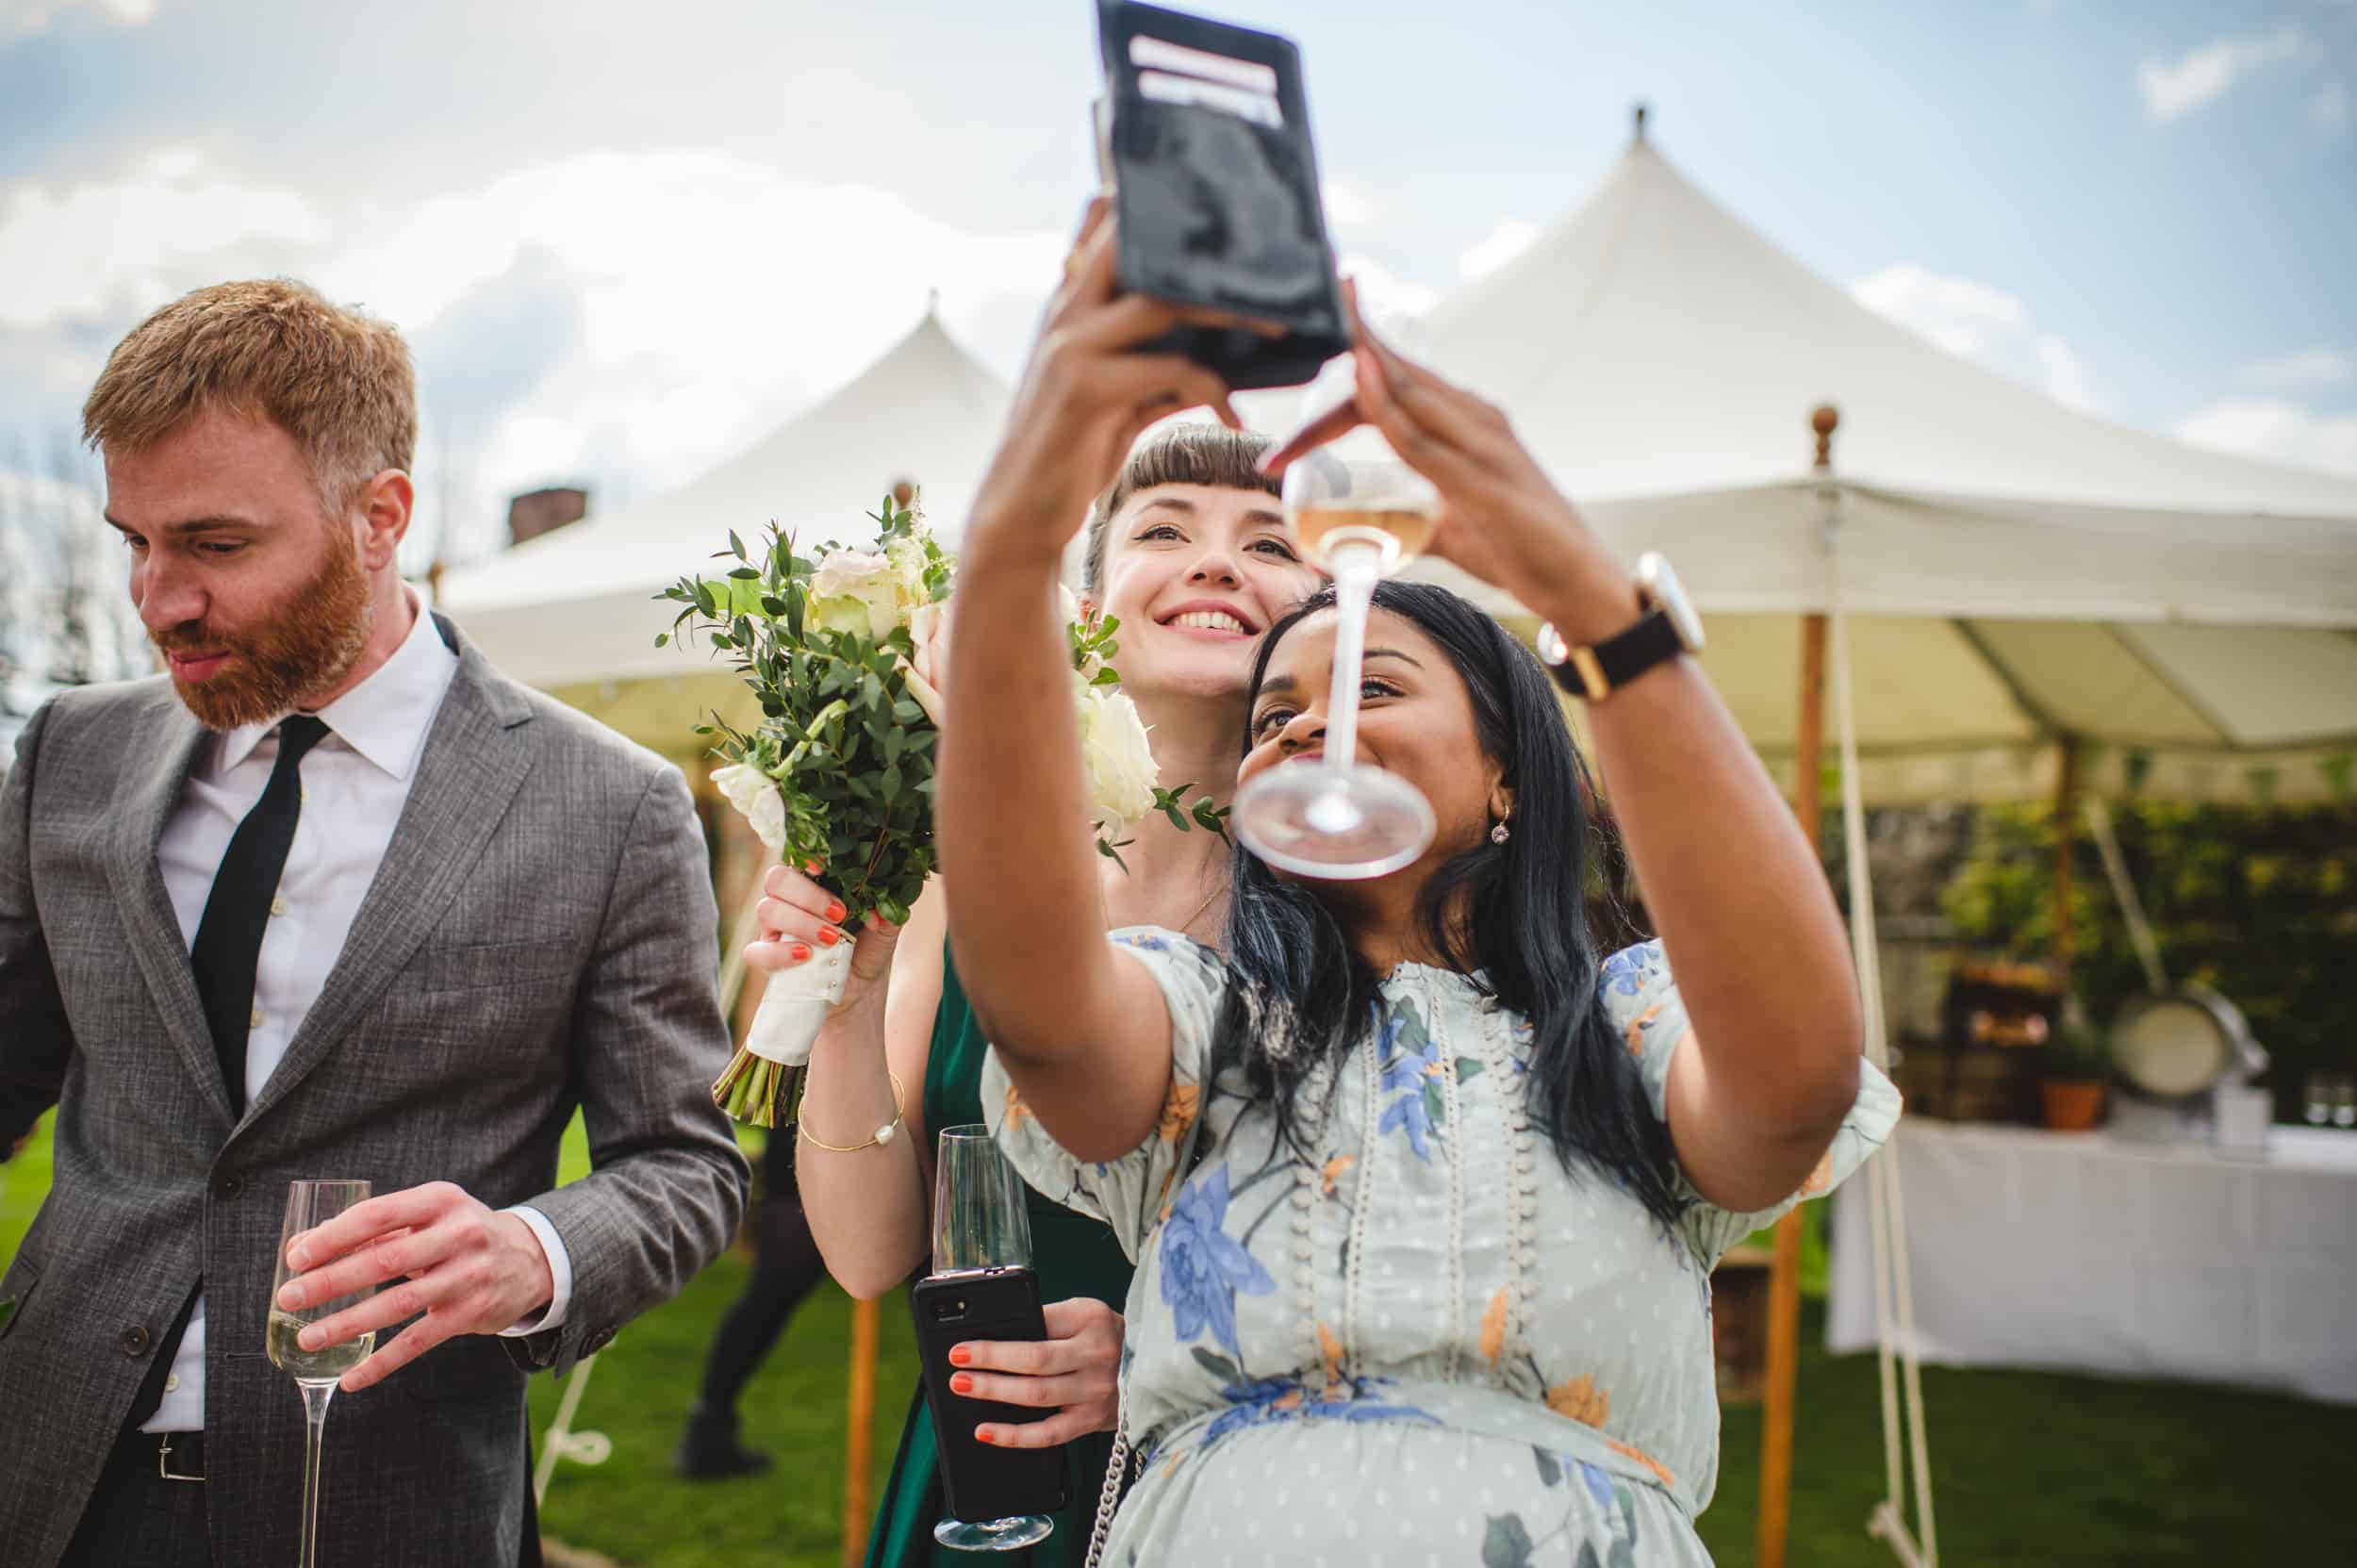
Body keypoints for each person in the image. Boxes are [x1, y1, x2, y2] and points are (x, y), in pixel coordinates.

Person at [935, 203, 1901, 1563]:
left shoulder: (1628, 1036)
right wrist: (1026, 520)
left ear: (1508, 774)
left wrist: (1581, 587)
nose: (1307, 731)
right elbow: (1036, 1000)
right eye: (1277, 715)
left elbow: (1797, 1079)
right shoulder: (1209, 1023)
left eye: (1372, 688)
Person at [0, 279, 750, 1568]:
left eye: (217, 544)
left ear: (379, 515)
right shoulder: (71, 750)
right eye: (135, 539)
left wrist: (533, 1249)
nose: (159, 598)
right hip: (49, 1478)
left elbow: (685, 1165)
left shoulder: (610, 806)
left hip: (391, 1504)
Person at [744, 413, 1320, 1565]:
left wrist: (1173, 1346)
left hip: (1249, 1490)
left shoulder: (1348, 905)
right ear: (1092, 604)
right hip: (987, 1481)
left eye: (1267, 542)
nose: (1218, 559)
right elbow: (866, 1257)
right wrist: (846, 998)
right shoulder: (967, 878)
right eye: (1167, 528)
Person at [671, 1128, 829, 1478]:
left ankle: (709, 1426)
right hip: (809, 1141)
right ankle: (708, 1431)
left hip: (815, 1142)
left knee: (769, 1295)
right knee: (771, 1294)